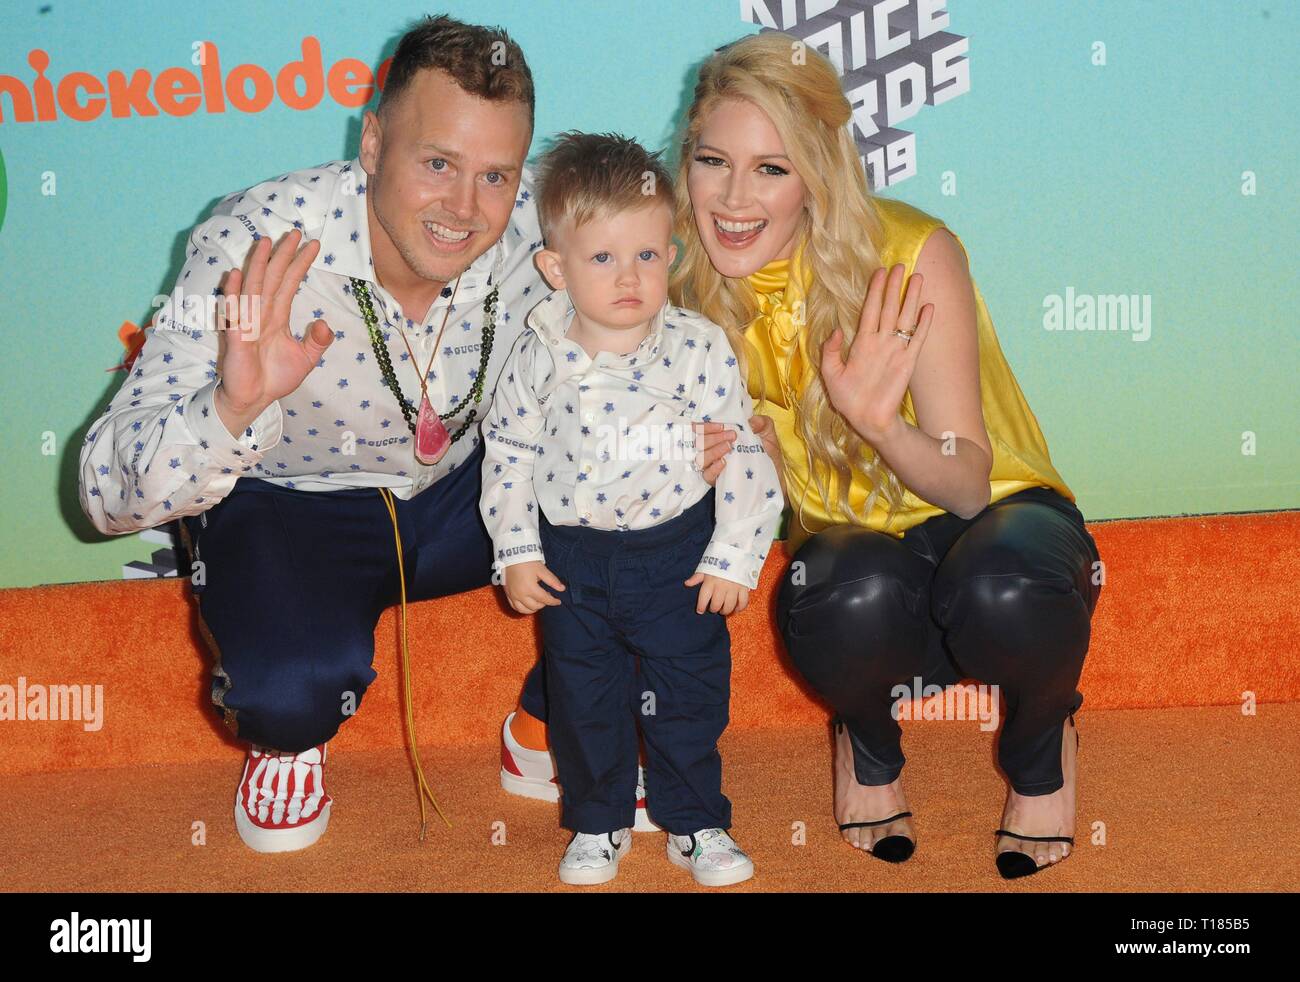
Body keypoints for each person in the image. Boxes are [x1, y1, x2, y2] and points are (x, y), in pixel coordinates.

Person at [76, 14, 736, 855]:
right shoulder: (257, 241)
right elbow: (100, 492)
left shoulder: (550, 226)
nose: (464, 209)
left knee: (688, 488)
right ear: (373, 141)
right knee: (286, 695)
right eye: (436, 164)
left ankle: (550, 726)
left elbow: (673, 262)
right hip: (292, 502)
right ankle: (289, 738)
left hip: (476, 494)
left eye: (495, 175)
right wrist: (231, 408)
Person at [502, 32, 1103, 881]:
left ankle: (1043, 754)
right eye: (713, 161)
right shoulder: (663, 289)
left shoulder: (908, 253)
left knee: (1003, 587)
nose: (735, 197)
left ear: (816, 176)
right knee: (836, 593)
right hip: (862, 560)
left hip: (997, 521)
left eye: (772, 169)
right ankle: (867, 738)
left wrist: (881, 426)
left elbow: (970, 487)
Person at [481, 132, 783, 886]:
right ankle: (597, 821)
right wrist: (518, 549)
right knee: (584, 700)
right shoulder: (539, 353)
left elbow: (742, 451)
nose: (629, 278)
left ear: (673, 256)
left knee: (688, 696)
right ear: (555, 268)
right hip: (572, 561)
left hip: (676, 555)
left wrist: (733, 555)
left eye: (647, 256)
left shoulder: (698, 348)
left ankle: (695, 822)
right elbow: (508, 453)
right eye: (603, 258)